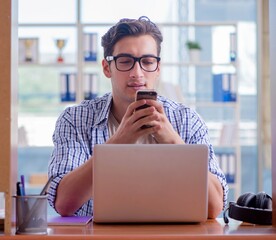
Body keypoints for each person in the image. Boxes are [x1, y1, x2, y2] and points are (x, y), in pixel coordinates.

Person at [48, 16, 228, 219]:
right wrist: (117, 143)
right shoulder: (75, 119)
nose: (137, 72)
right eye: (125, 62)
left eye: (147, 62)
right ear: (107, 68)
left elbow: (214, 207)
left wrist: (174, 143)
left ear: (158, 68)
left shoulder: (187, 120)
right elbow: (64, 203)